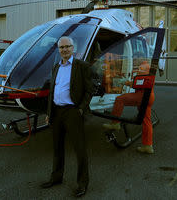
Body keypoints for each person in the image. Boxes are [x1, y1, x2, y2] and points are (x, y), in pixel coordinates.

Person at [41, 36, 93, 197]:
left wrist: (80, 109)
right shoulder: (56, 67)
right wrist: (49, 113)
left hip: (72, 111)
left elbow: (89, 90)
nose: (64, 50)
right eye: (61, 47)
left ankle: (82, 183)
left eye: (67, 47)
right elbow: (52, 93)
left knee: (79, 149)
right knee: (57, 148)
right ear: (58, 50)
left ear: (73, 48)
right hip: (56, 112)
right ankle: (56, 177)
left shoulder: (82, 66)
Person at [102, 52, 155, 154]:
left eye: (135, 58)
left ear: (140, 58)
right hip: (149, 96)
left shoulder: (144, 67)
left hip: (142, 96)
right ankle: (148, 146)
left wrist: (126, 82)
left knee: (120, 99)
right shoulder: (147, 66)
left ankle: (115, 123)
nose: (134, 60)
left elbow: (140, 83)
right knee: (146, 121)